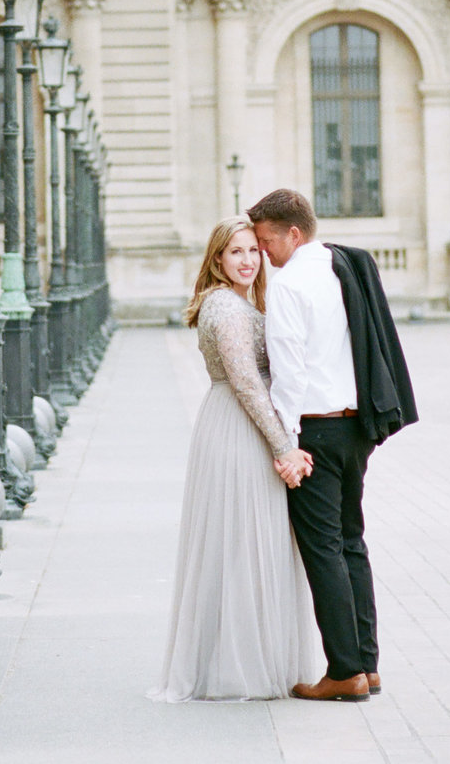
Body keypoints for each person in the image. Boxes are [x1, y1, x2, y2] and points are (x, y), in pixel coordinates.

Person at [248, 189, 418, 703]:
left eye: (266, 241)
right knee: (351, 542)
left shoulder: (288, 285)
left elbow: (289, 373)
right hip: (355, 428)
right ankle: (367, 663)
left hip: (315, 432)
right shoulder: (341, 266)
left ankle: (344, 672)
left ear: (292, 234)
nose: (263, 254)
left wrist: (287, 445)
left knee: (323, 550)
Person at [152, 216, 324, 701]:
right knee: (244, 540)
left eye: (253, 250)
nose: (248, 260)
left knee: (245, 541)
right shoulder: (226, 308)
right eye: (236, 252)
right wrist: (283, 446)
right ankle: (238, 667)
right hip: (239, 427)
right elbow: (247, 383)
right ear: (218, 260)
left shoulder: (238, 302)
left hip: (238, 421)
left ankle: (242, 658)